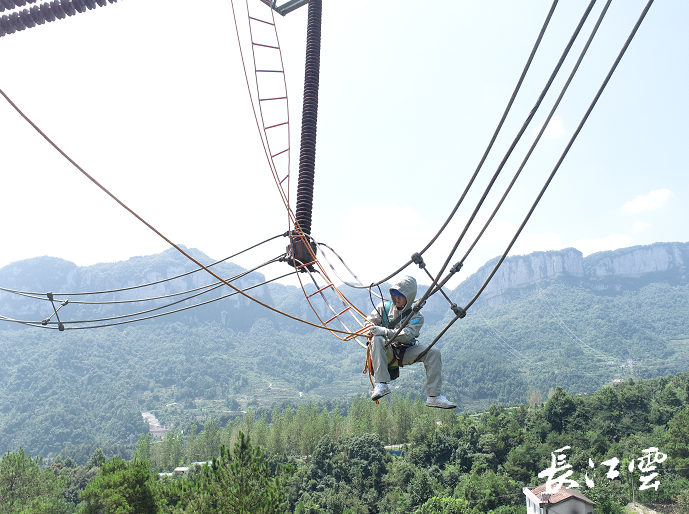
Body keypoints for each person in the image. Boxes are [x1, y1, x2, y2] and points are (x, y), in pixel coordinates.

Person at [366, 275, 456, 409]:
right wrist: (372, 329)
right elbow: (369, 323)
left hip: (405, 351)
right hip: (385, 351)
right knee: (377, 338)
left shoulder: (416, 316)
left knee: (433, 352)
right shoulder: (384, 307)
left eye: (401, 296)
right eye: (395, 294)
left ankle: (434, 396)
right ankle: (381, 384)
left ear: (409, 297)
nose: (397, 298)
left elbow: (407, 334)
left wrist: (384, 331)